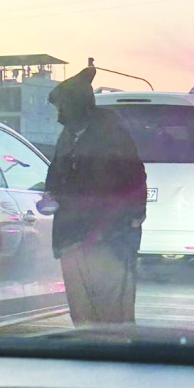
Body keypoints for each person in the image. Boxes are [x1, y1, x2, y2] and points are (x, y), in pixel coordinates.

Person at [41, 67, 147, 326]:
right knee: (82, 313)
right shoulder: (68, 136)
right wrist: (50, 194)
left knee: (113, 314)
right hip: (72, 237)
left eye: (62, 108)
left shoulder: (110, 129)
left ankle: (114, 358)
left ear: (77, 106)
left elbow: (134, 176)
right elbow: (56, 174)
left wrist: (132, 219)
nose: (59, 116)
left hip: (108, 237)